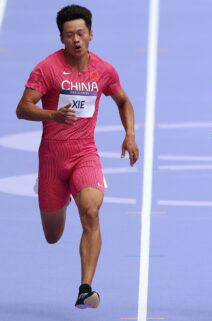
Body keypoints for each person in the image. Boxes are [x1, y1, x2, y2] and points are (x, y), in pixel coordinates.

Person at [16, 5, 139, 307]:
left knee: (92, 212)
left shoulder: (104, 70)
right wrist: (52, 115)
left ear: (90, 34)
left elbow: (123, 101)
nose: (76, 40)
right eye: (69, 35)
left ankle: (86, 288)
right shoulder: (47, 68)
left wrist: (130, 135)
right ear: (61, 38)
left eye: (81, 34)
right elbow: (23, 108)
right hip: (52, 158)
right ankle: (61, 193)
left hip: (85, 153)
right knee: (53, 235)